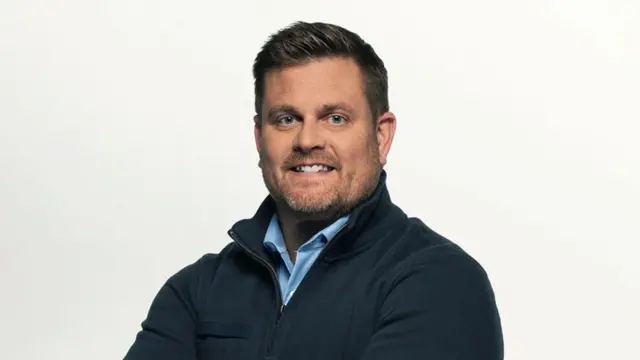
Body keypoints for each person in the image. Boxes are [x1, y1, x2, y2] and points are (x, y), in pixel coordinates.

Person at [124, 21, 503, 360]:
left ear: (381, 136)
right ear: (260, 137)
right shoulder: (196, 291)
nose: (307, 140)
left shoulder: (440, 283)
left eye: (335, 118)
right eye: (286, 119)